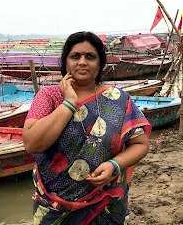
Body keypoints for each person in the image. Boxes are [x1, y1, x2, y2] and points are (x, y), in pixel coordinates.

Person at [23, 31, 151, 225]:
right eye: (75, 56)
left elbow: (140, 144)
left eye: (90, 56)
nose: (82, 62)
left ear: (100, 64)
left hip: (106, 204)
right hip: (55, 205)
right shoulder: (48, 96)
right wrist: (69, 103)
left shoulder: (118, 99)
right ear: (65, 62)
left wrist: (114, 165)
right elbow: (32, 143)